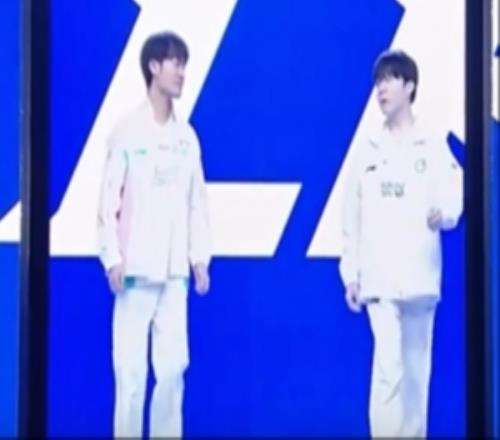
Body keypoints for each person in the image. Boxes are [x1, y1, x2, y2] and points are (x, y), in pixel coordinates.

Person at [339, 49, 463, 438]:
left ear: (409, 86)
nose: (381, 90)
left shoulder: (432, 144)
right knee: (387, 369)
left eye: (389, 80)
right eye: (378, 82)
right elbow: (350, 215)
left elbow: (454, 191)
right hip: (379, 279)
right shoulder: (367, 151)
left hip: (421, 276)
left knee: (415, 374)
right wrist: (350, 272)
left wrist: (444, 213)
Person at [97, 31, 211, 438]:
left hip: (175, 274)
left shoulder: (187, 138)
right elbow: (108, 200)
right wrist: (112, 257)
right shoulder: (127, 131)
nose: (181, 72)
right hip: (134, 272)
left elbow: (197, 203)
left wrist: (199, 258)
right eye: (174, 63)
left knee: (173, 370)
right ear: (153, 67)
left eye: (184, 64)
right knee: (130, 376)